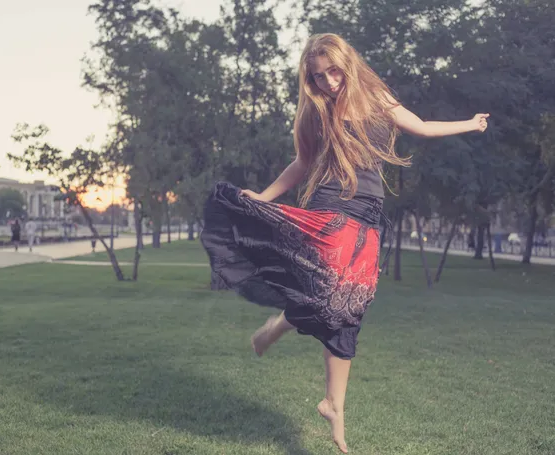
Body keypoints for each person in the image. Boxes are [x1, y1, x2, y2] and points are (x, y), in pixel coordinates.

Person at [200, 33, 489, 453]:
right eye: (318, 77)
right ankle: (279, 332)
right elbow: (302, 163)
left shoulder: (376, 98)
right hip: (331, 211)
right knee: (333, 294)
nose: (328, 82)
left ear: (347, 64)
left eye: (333, 71)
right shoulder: (315, 114)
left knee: (350, 305)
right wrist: (263, 197)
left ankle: (333, 402)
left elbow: (421, 127)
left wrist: (470, 123)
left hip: (368, 214)